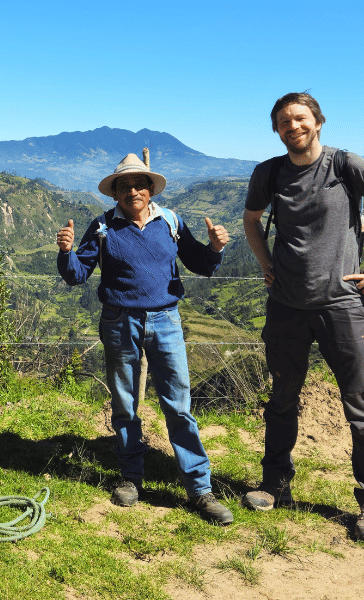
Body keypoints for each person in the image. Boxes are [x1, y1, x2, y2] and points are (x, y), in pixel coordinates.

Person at [242, 92, 364, 543]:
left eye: (300, 118)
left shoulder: (347, 165)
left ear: (318, 122)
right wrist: (265, 264)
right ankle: (275, 485)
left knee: (361, 404)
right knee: (282, 398)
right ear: (277, 130)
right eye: (283, 121)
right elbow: (251, 219)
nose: (292, 126)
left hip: (341, 305)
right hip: (285, 305)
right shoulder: (269, 172)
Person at [56, 153, 233, 524]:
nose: (132, 190)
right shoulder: (103, 228)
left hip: (166, 319)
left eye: (139, 184)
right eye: (124, 186)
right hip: (119, 321)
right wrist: (67, 252)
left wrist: (215, 247)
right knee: (124, 403)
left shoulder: (170, 222)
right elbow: (77, 276)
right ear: (115, 193)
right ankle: (131, 478)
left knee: (178, 403)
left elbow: (199, 263)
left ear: (150, 189)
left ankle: (200, 489)